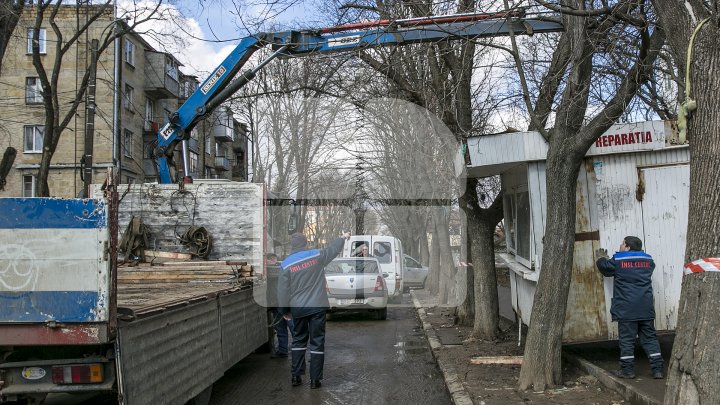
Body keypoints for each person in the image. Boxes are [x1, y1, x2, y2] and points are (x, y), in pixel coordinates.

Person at [278, 231, 350, 389]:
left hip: (298, 308)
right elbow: (332, 249)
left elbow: (282, 291)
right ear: (306, 244)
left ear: (292, 246)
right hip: (317, 307)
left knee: (298, 341)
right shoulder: (316, 255)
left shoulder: (286, 264)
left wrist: (284, 311)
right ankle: (315, 380)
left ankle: (296, 376)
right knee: (317, 342)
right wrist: (342, 237)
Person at [596, 236, 665, 380]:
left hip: (626, 309)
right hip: (645, 308)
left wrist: (601, 258)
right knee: (650, 339)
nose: (620, 246)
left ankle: (627, 371)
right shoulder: (649, 261)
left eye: (622, 244)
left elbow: (606, 268)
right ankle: (658, 370)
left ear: (627, 247)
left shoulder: (618, 260)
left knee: (627, 340)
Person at [267, 253, 293, 359]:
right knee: (280, 327)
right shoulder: (270, 270)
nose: (270, 261)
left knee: (292, 326)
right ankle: (283, 350)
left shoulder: (281, 269)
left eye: (272, 259)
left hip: (285, 303)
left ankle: (299, 348)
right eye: (269, 259)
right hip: (276, 303)